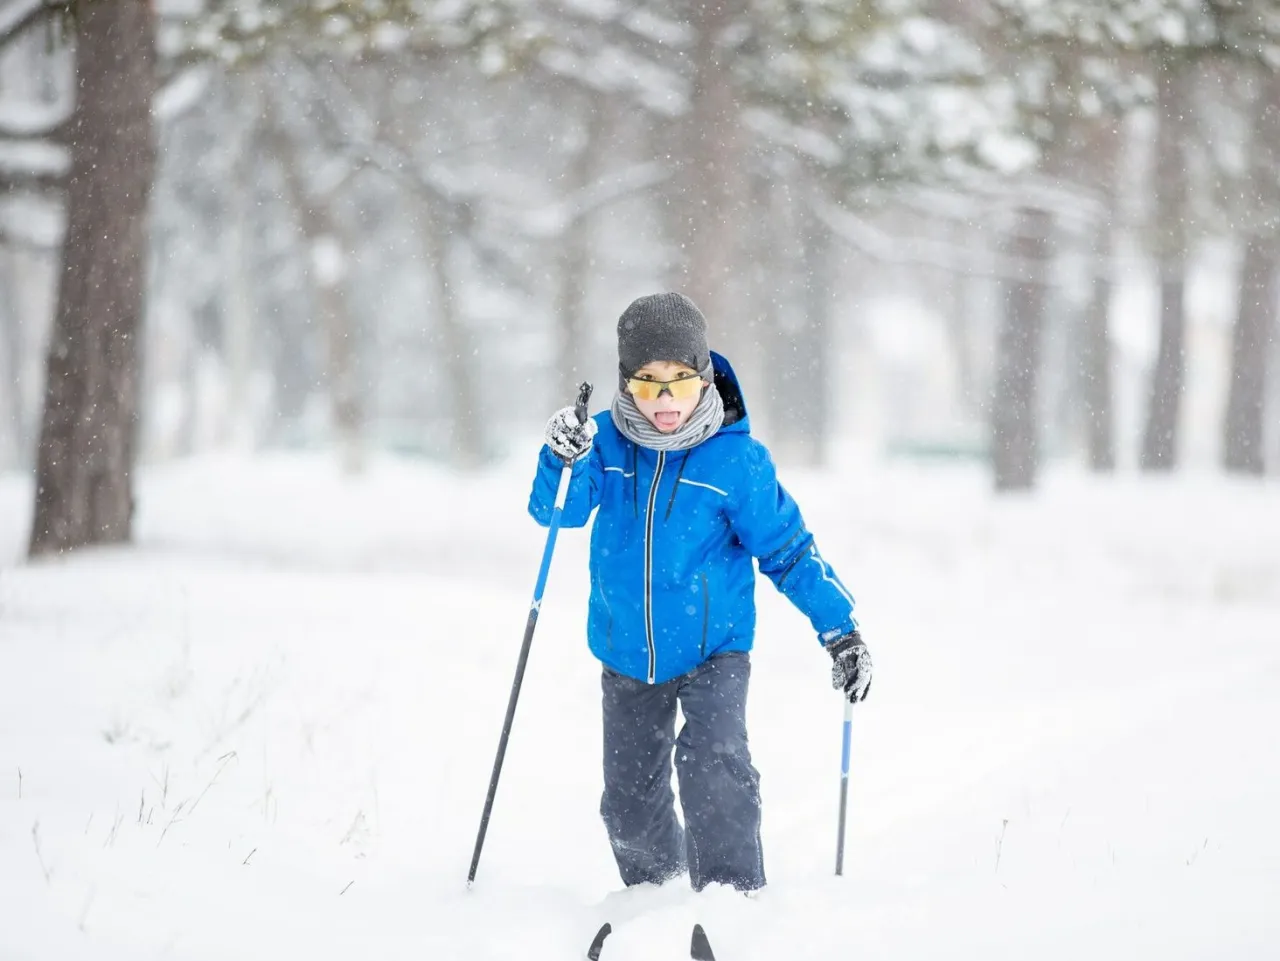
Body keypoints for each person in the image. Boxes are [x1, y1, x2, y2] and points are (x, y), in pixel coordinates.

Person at [528, 292, 871, 893]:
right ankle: (656, 891)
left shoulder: (737, 461)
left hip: (715, 649)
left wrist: (839, 630)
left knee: (714, 768)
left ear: (706, 377)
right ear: (625, 381)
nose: (665, 402)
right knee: (629, 798)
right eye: (648, 383)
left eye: (682, 383)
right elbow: (558, 514)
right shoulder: (605, 443)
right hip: (625, 648)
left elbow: (788, 550)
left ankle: (730, 896)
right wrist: (563, 459)